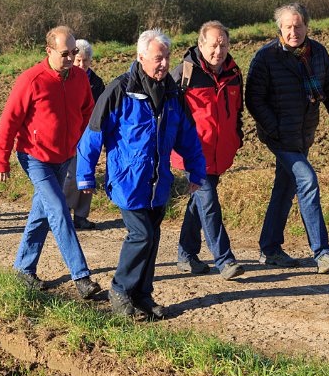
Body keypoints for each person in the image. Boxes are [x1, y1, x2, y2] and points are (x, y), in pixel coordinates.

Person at [78, 29, 206, 321]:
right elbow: (92, 137)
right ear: (141, 57)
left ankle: (142, 295)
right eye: (158, 58)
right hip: (128, 181)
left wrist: (196, 171)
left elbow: (189, 137)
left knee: (153, 236)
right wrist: (85, 175)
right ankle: (120, 290)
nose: (164, 64)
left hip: (158, 182)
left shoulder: (173, 94)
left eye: (167, 58)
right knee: (142, 234)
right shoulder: (119, 90)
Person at [246, 3, 329, 275]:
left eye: (298, 26)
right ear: (280, 29)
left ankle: (270, 249)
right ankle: (322, 252)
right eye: (288, 27)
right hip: (279, 136)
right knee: (307, 180)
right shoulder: (266, 57)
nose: (293, 31)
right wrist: (277, 128)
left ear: (307, 26)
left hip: (303, 134)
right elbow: (254, 100)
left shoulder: (317, 53)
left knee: (285, 188)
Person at [0, 26, 101, 300]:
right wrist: (0, 160)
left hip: (64, 156)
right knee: (59, 209)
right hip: (34, 157)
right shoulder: (31, 80)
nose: (71, 58)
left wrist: (85, 142)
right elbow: (9, 121)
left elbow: (88, 110)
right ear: (49, 51)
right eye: (65, 53)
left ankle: (23, 268)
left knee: (41, 213)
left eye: (74, 52)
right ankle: (81, 276)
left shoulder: (79, 78)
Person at [171, 21, 245, 280]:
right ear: (201, 44)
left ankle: (186, 255)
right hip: (192, 153)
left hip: (219, 152)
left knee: (198, 203)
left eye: (223, 44)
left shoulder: (234, 73)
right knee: (209, 201)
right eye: (213, 45)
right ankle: (224, 260)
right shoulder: (184, 75)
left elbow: (237, 112)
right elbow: (170, 115)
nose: (219, 50)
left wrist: (237, 138)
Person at [62, 39, 105, 230]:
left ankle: (81, 216)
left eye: (85, 60)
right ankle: (64, 213)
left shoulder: (97, 83)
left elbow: (101, 109)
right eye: (78, 59)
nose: (81, 64)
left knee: (88, 175)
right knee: (71, 176)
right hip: (70, 134)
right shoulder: (66, 78)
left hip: (89, 135)